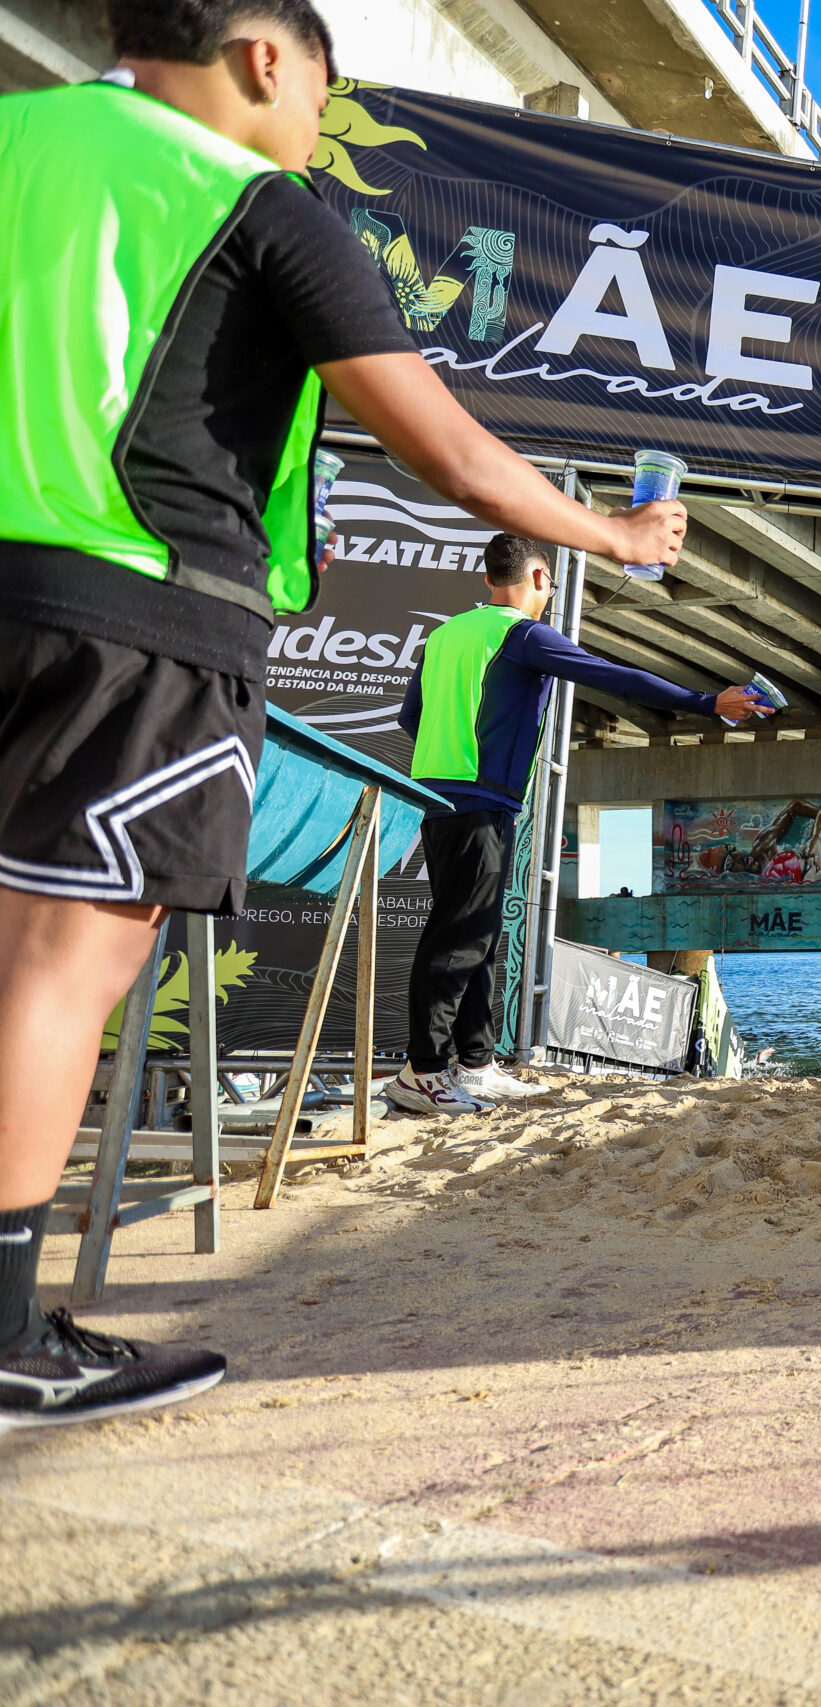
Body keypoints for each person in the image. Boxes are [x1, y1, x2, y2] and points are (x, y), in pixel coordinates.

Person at [0, 0, 688, 1431]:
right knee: (58, 969)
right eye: (323, 86)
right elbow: (443, 445)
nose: (321, 121)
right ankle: (6, 1327)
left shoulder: (15, 136)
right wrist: (612, 537)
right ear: (263, 57)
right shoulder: (261, 202)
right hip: (138, 612)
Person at [390, 537, 767, 1113]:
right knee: (459, 940)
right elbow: (614, 677)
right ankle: (421, 1071)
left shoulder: (443, 636)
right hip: (479, 802)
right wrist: (707, 701)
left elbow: (410, 716)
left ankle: (475, 1061)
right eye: (554, 586)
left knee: (477, 933)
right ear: (539, 579)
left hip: (441, 801)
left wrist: (452, 761)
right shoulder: (519, 634)